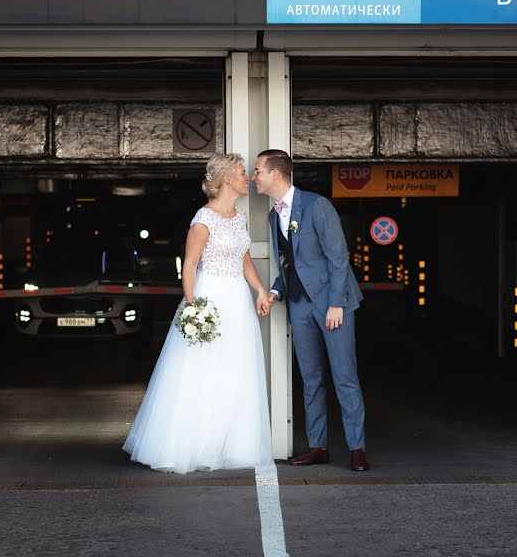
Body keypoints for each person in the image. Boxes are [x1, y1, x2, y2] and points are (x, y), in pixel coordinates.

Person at [123, 153, 273, 474]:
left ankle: (228, 445)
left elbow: (244, 259)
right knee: (201, 371)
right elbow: (189, 266)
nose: (246, 177)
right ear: (226, 180)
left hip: (238, 300)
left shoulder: (238, 216)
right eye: (242, 172)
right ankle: (190, 445)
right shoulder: (203, 220)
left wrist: (260, 289)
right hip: (210, 298)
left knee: (234, 371)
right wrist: (192, 307)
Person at [253, 149, 370, 472]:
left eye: (258, 171)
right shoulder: (272, 215)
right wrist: (276, 292)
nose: (254, 177)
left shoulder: (318, 205)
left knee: (344, 376)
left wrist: (336, 303)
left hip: (333, 305)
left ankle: (357, 448)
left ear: (276, 174)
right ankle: (318, 446)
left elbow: (338, 259)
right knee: (311, 378)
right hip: (299, 305)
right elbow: (288, 263)